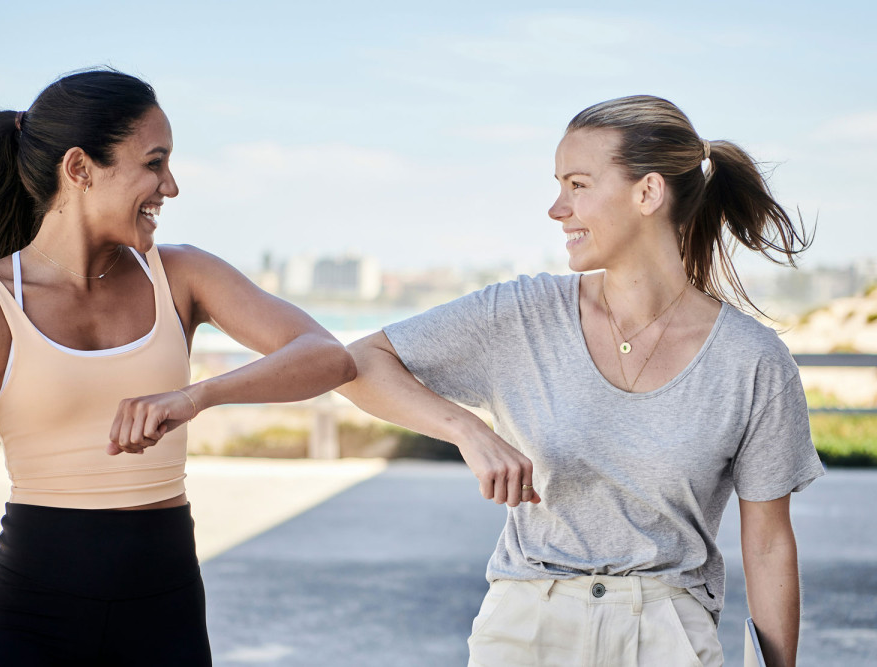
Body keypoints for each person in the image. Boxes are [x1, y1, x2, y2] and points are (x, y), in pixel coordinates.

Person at [338, 95, 823, 667]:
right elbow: (359, 363)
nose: (556, 209)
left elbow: (767, 545)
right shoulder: (520, 314)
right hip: (525, 628)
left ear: (647, 192)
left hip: (669, 637)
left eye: (577, 185)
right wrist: (468, 431)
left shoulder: (752, 360)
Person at [0, 68, 356, 666]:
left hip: (163, 614)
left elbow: (327, 357)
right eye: (154, 163)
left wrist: (195, 397)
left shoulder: (183, 275)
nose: (170, 187)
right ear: (79, 168)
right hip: (27, 619)